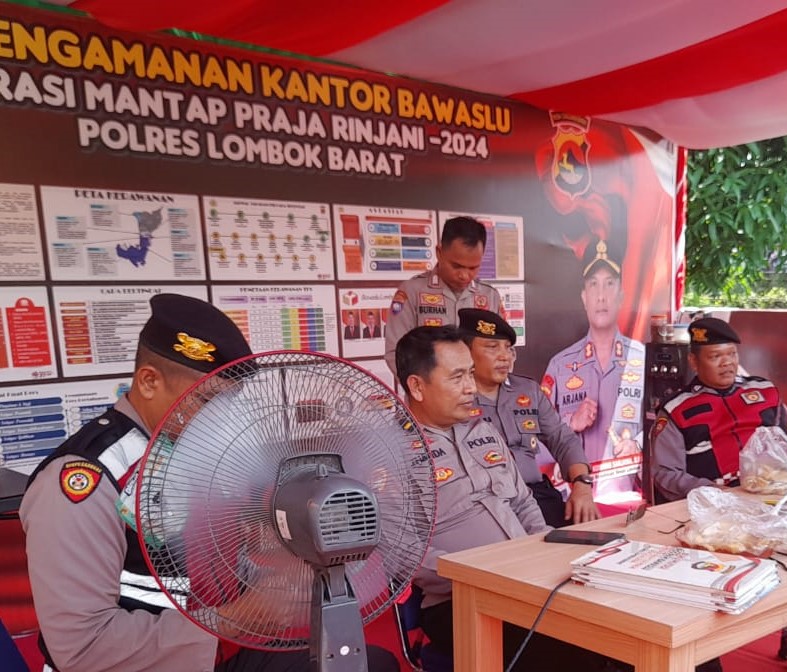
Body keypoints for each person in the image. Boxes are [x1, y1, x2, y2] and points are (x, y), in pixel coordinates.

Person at [20, 293, 398, 672]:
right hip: (150, 662)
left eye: (228, 404)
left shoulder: (193, 452)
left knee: (372, 665)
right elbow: (82, 647)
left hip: (215, 648)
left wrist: (281, 584)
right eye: (205, 401)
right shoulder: (87, 479)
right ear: (149, 382)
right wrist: (231, 620)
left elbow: (208, 569)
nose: (219, 419)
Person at [396, 326, 613, 671]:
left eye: (470, 373)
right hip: (460, 599)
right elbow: (403, 552)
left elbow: (523, 502)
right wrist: (480, 573)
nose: (471, 387)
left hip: (526, 579)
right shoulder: (388, 453)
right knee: (570, 653)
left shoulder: (481, 430)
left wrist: (543, 549)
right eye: (457, 377)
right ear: (417, 386)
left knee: (615, 625)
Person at [649, 317, 787, 672]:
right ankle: (704, 661)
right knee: (708, 583)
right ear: (693, 361)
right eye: (715, 356)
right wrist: (716, 492)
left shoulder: (765, 392)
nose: (726, 363)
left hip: (776, 504)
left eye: (731, 355)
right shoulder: (677, 410)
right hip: (718, 516)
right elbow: (664, 475)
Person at [458, 308, 599, 527]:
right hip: (487, 507)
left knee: (588, 534)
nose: (504, 356)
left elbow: (562, 438)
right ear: (465, 352)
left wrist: (582, 484)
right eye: (492, 347)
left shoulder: (528, 390)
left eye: (508, 348)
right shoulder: (455, 400)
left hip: (537, 495)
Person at [542, 238, 645, 499]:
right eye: (593, 284)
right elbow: (536, 435)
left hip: (627, 498)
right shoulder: (560, 365)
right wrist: (570, 423)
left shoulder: (643, 360)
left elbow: (665, 428)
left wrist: (638, 444)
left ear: (621, 296)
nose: (601, 296)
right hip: (573, 500)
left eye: (610, 284)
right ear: (584, 297)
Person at [384, 215, 504, 380]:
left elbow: (502, 350)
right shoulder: (411, 292)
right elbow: (396, 353)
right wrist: (424, 388)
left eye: (473, 268)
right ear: (439, 253)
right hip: (430, 393)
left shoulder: (490, 296)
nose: (464, 275)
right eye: (456, 266)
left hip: (478, 392)